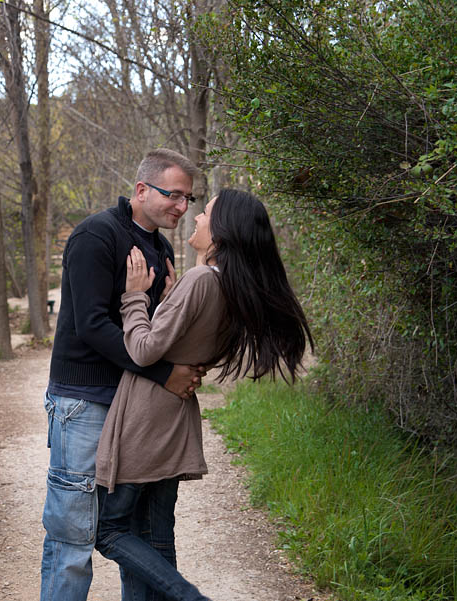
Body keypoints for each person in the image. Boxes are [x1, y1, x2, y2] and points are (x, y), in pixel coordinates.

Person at [93, 189, 314, 600]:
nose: (194, 217)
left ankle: (191, 597)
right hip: (175, 417)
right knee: (156, 539)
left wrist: (134, 297)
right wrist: (170, 299)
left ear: (223, 230)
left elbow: (142, 350)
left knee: (110, 531)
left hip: (146, 417)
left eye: (205, 212)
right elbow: (189, 340)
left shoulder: (199, 281)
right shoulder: (230, 286)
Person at [40, 149, 207, 601]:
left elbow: (146, 332)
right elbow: (93, 325)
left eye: (188, 199)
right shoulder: (96, 235)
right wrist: (164, 375)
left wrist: (168, 305)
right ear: (141, 190)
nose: (182, 207)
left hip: (132, 409)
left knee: (133, 532)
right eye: (174, 195)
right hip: (85, 403)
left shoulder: (159, 246)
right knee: (73, 536)